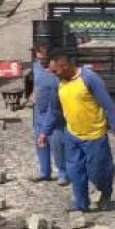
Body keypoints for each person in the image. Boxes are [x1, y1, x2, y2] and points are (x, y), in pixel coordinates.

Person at [50, 52, 115, 212]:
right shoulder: (59, 83)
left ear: (65, 66)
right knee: (75, 172)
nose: (53, 74)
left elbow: (108, 104)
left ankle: (105, 193)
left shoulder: (89, 78)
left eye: (55, 70)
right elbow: (55, 109)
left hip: (94, 135)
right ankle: (81, 204)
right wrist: (46, 130)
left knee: (97, 172)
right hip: (72, 134)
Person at [30, 43, 68, 185]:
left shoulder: (57, 71)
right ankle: (44, 172)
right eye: (39, 58)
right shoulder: (36, 67)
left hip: (55, 111)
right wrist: (32, 96)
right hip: (38, 111)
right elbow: (36, 84)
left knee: (56, 143)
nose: (41, 61)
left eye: (44, 59)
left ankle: (63, 173)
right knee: (40, 142)